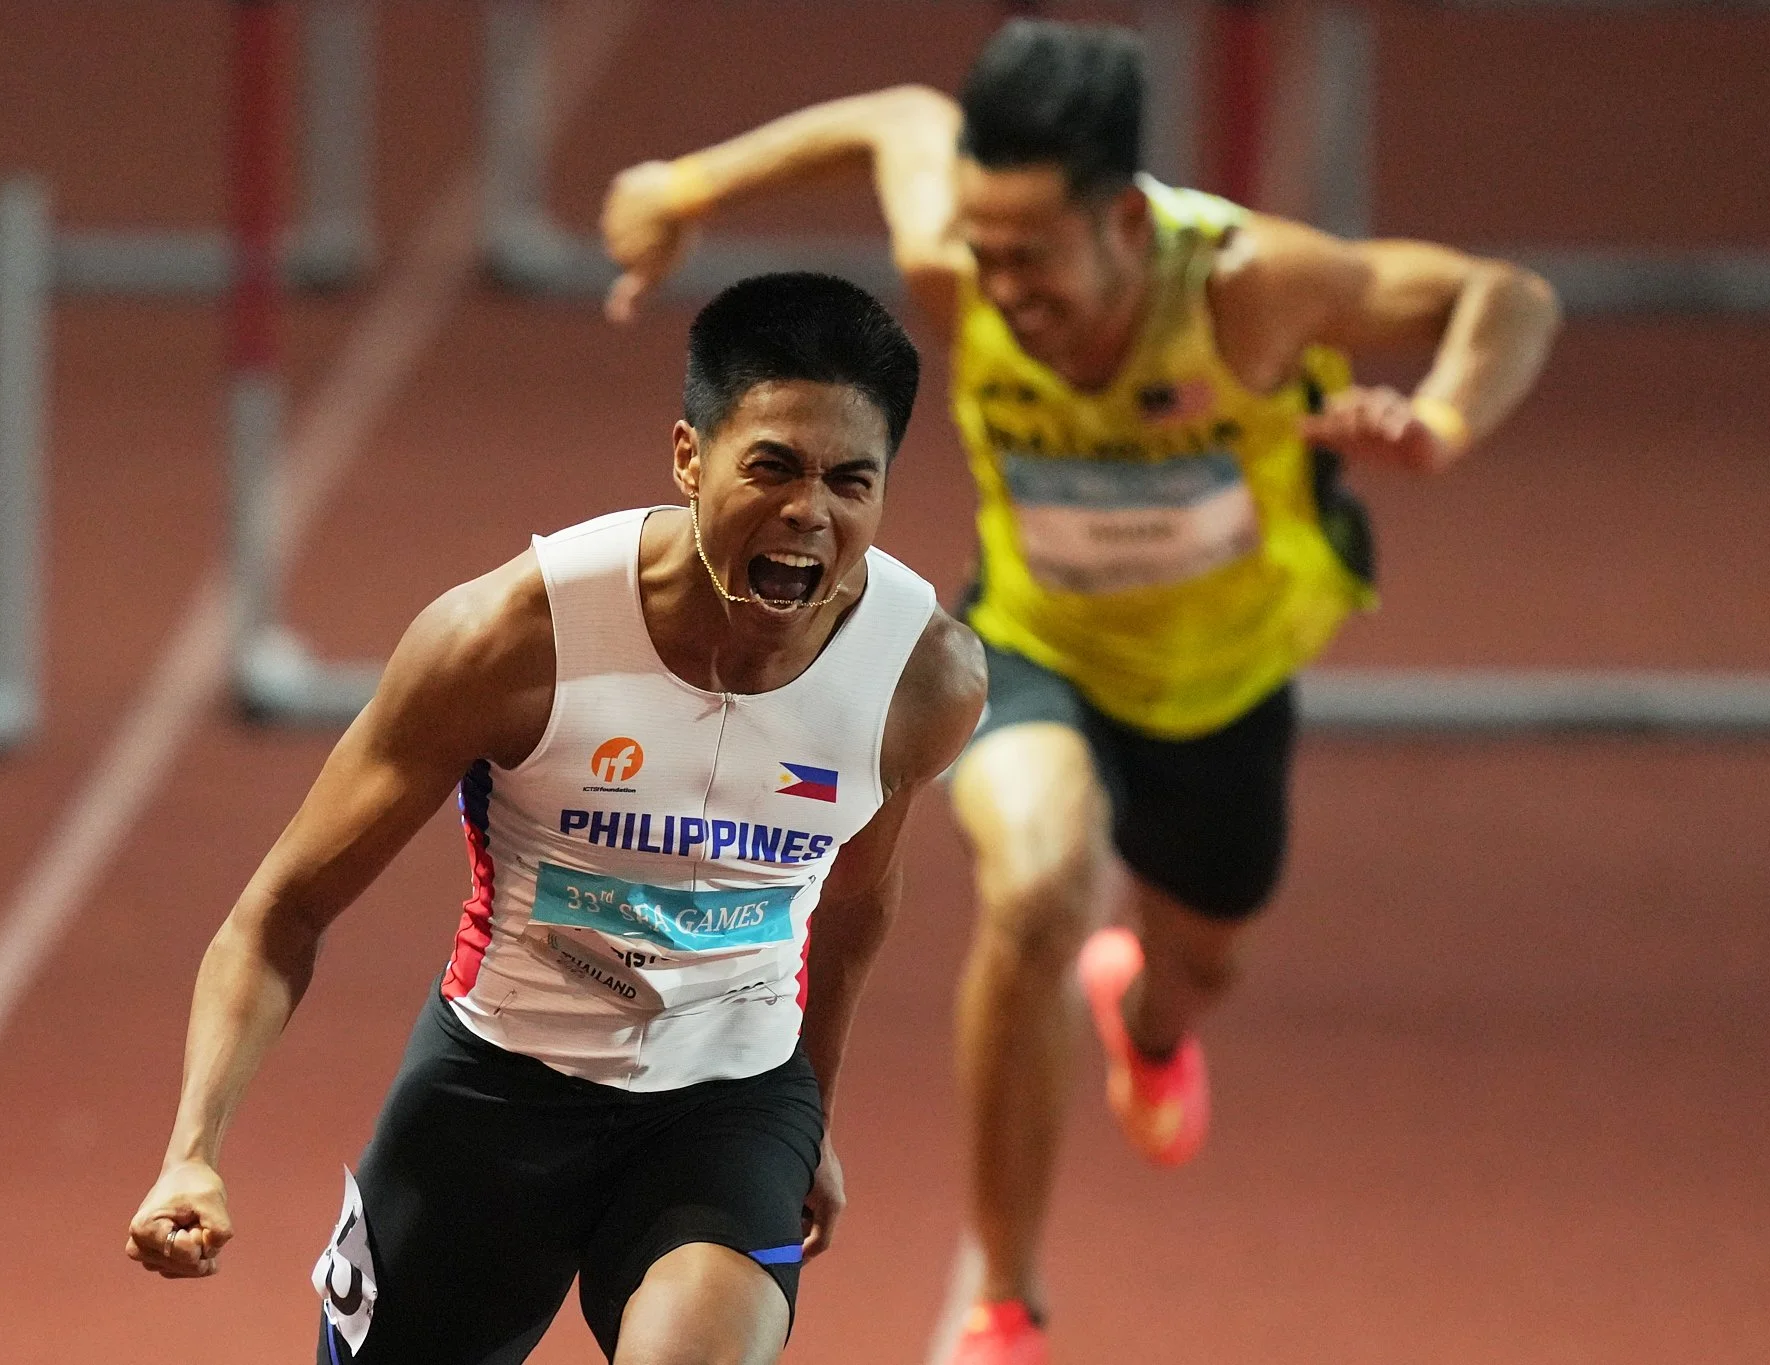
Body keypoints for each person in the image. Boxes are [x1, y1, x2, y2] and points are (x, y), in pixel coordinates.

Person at [600, 18, 1560, 1363]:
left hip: (1225, 681)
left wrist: (1445, 419)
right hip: (1036, 641)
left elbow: (1506, 297)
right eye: (984, 253)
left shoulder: (1252, 288)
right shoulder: (964, 265)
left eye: (1033, 258)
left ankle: (1152, 1019)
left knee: (1201, 955)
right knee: (1041, 881)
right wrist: (684, 186)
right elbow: (892, 113)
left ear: (1123, 218)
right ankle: (1006, 1298)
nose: (999, 287)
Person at [123, 271, 987, 1365]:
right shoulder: (509, 641)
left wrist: (805, 1114)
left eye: (848, 481)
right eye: (770, 466)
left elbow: (852, 912)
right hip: (494, 1094)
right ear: (688, 457)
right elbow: (281, 912)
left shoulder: (919, 681)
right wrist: (192, 1147)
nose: (808, 512)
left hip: (725, 1109)